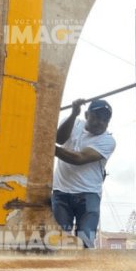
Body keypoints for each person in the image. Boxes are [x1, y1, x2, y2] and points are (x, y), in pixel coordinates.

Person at [52, 98, 116, 248]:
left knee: (85, 241)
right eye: (96, 116)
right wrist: (73, 114)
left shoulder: (108, 140)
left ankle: (83, 270)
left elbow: (79, 158)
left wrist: (47, 145)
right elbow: (59, 139)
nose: (100, 122)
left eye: (105, 119)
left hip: (88, 195)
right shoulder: (73, 123)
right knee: (59, 241)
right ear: (86, 115)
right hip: (61, 192)